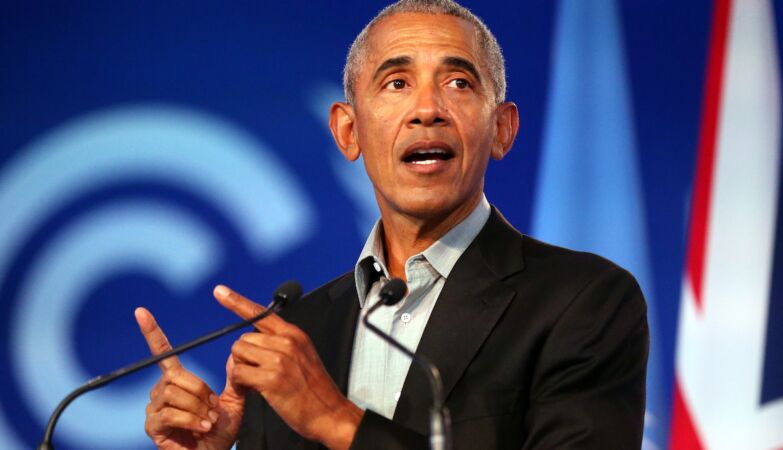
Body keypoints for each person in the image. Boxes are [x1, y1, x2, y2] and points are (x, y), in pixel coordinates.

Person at [135, 0, 649, 449]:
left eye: (458, 83)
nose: (427, 109)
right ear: (348, 130)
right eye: (397, 83)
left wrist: (338, 422)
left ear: (501, 128)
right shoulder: (297, 335)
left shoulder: (583, 302)